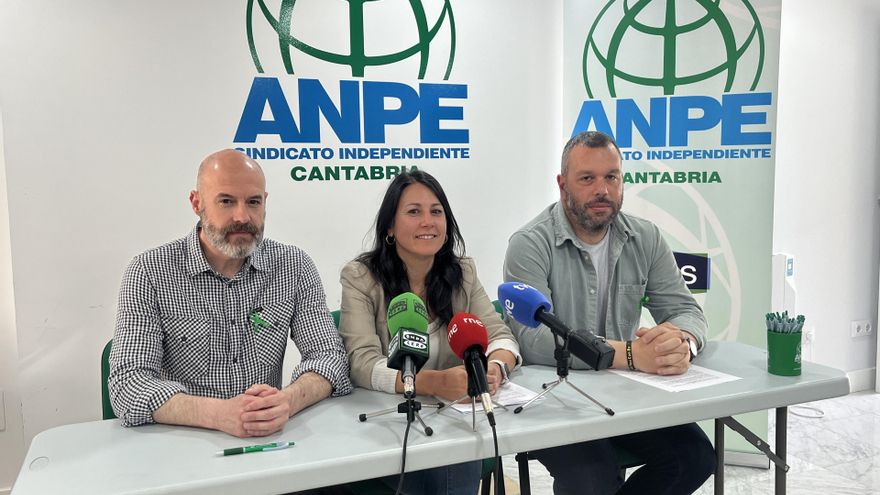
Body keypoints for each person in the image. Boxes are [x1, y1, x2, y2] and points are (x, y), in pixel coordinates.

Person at [503, 131, 715, 495]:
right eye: (587, 178)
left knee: (695, 457)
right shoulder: (530, 243)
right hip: (555, 397)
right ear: (562, 184)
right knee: (594, 480)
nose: (602, 189)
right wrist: (632, 354)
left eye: (611, 177)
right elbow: (536, 341)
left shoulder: (645, 237)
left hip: (624, 393)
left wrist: (680, 343)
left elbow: (684, 309)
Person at [109, 149, 351, 438]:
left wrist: (287, 400)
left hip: (271, 441)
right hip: (185, 444)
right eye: (226, 201)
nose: (242, 216)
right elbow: (128, 383)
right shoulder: (150, 272)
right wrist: (217, 414)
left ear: (265, 203)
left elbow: (329, 356)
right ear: (196, 203)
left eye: (253, 202)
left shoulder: (293, 265)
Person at [338, 170, 520, 495]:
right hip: (389, 424)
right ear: (390, 228)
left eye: (436, 211)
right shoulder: (361, 278)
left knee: (460, 455)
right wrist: (434, 383)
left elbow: (500, 337)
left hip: (452, 419)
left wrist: (493, 369)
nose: (428, 221)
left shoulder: (462, 273)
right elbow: (361, 363)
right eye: (413, 211)